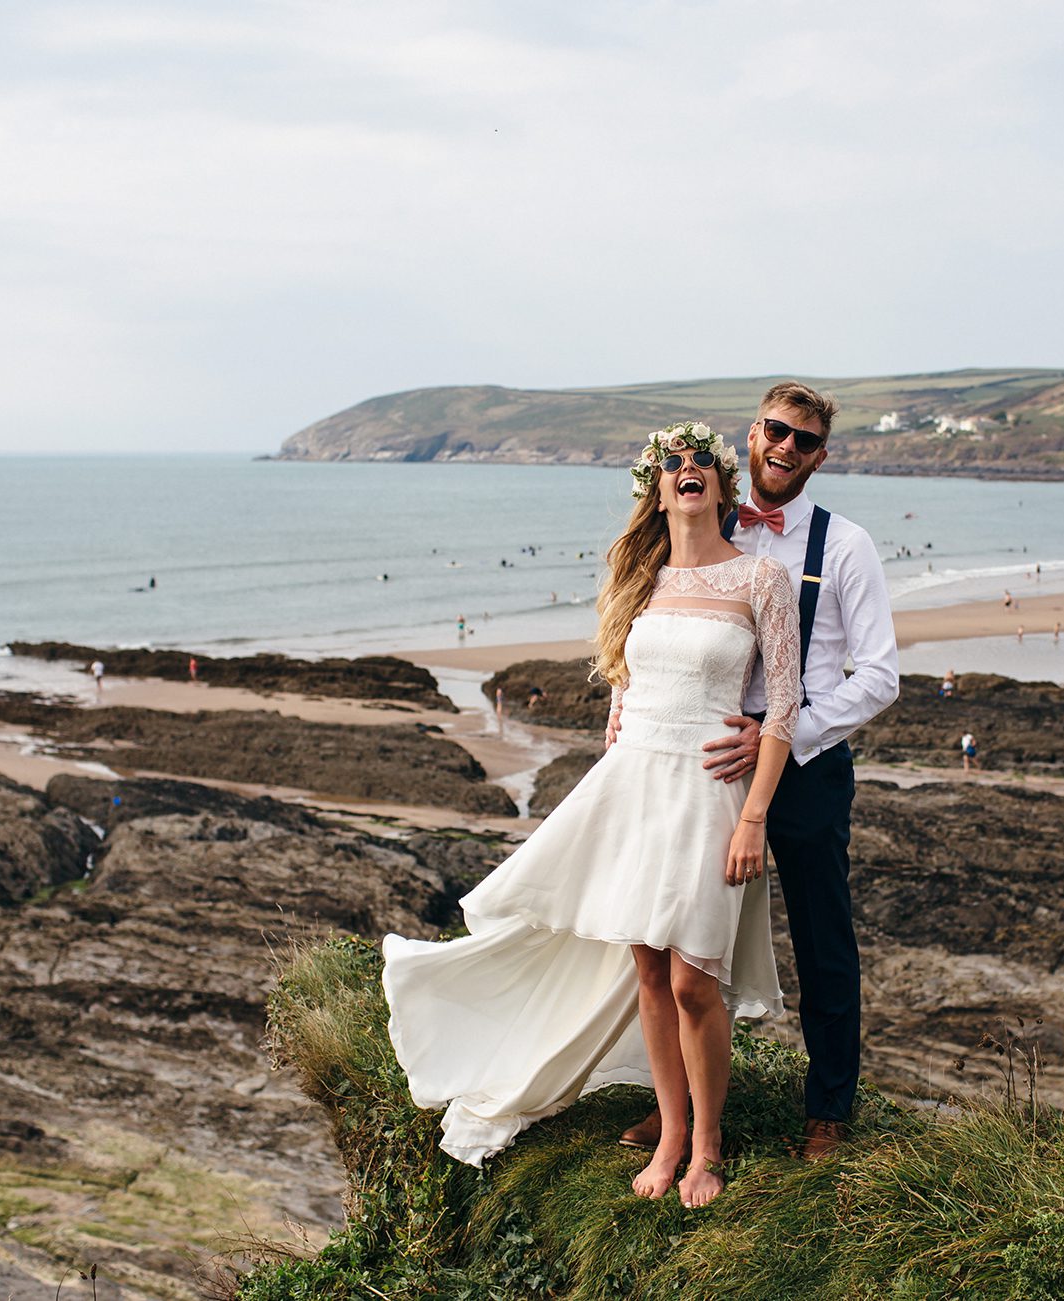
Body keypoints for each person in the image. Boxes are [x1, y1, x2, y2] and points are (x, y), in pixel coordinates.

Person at [382, 421, 797, 1208]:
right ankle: (671, 1133)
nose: (687, 470)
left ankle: (709, 1144)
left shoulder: (760, 580)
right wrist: (615, 746)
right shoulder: (641, 579)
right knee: (646, 965)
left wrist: (755, 819)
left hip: (709, 792)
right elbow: (624, 692)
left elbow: (784, 710)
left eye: (699, 460)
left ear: (720, 482)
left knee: (695, 982)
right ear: (656, 486)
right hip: (634, 787)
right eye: (672, 463)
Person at [635, 382, 900, 1164]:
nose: (787, 448)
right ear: (752, 435)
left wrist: (791, 733)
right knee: (673, 936)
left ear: (821, 455)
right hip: (704, 764)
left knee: (822, 940)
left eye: (806, 440)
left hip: (806, 768)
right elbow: (646, 621)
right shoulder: (696, 520)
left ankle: (827, 1111)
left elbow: (880, 675)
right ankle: (673, 1107)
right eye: (778, 431)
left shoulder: (845, 545)